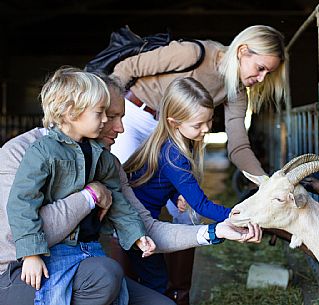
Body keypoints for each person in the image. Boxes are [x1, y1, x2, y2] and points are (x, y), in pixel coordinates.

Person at [0, 71, 262, 305]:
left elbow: (143, 222)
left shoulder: (105, 161)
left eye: (117, 115)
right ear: (77, 111)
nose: (119, 127)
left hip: (83, 262)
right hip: (20, 270)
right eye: (108, 115)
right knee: (106, 274)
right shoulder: (21, 153)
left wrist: (215, 232)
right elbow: (18, 230)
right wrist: (90, 196)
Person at [110, 25, 287, 304]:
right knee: (119, 201)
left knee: (186, 211)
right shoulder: (194, 53)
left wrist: (268, 185)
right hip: (133, 115)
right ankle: (120, 288)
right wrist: (111, 117)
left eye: (269, 73)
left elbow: (238, 145)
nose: (262, 78)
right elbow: (125, 68)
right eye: (261, 68)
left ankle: (179, 292)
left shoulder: (236, 90)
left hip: (173, 131)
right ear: (242, 52)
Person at [6, 67, 156, 305]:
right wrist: (31, 253)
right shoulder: (43, 151)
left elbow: (117, 202)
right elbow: (22, 203)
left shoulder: (103, 157)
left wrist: (136, 234)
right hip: (56, 251)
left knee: (118, 297)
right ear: (70, 112)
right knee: (53, 298)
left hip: (91, 248)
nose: (107, 120)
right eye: (100, 113)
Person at [122, 77, 233, 293]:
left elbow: (160, 178)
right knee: (157, 282)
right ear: (175, 122)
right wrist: (239, 215)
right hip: (136, 224)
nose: (207, 128)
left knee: (147, 277)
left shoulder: (169, 142)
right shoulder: (175, 155)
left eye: (209, 120)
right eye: (198, 125)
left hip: (135, 219)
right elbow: (201, 205)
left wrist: (175, 195)